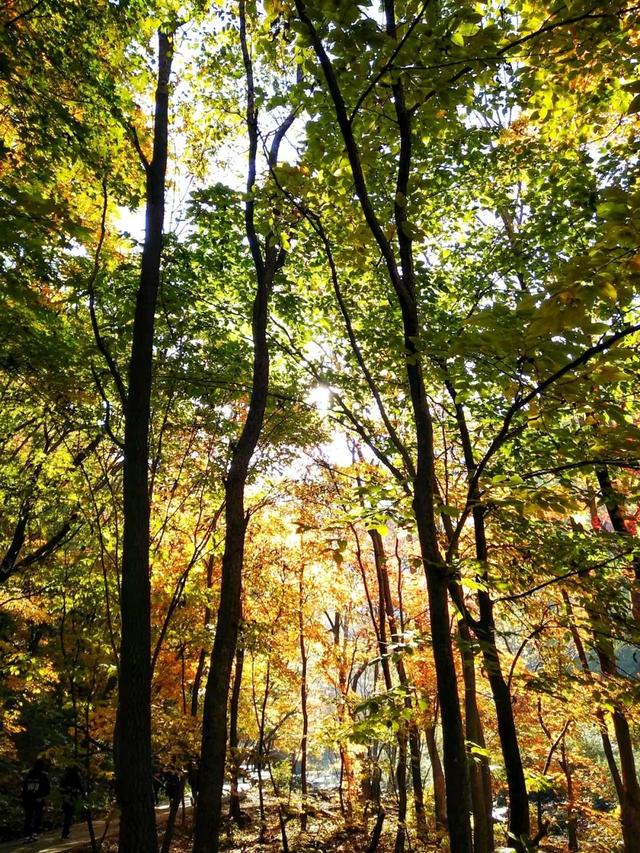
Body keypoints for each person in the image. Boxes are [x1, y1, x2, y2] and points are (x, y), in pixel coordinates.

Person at [22, 758, 50, 842]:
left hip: (28, 799)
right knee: (36, 817)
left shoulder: (29, 774)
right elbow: (46, 788)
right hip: (37, 799)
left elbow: (24, 788)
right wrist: (41, 797)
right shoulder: (43, 775)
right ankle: (33, 833)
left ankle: (28, 834)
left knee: (29, 817)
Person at [59, 765, 84, 839]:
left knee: (68, 815)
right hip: (70, 798)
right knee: (68, 815)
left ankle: (65, 832)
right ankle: (65, 832)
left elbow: (61, 788)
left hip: (68, 798)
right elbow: (80, 787)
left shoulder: (65, 777)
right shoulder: (75, 776)